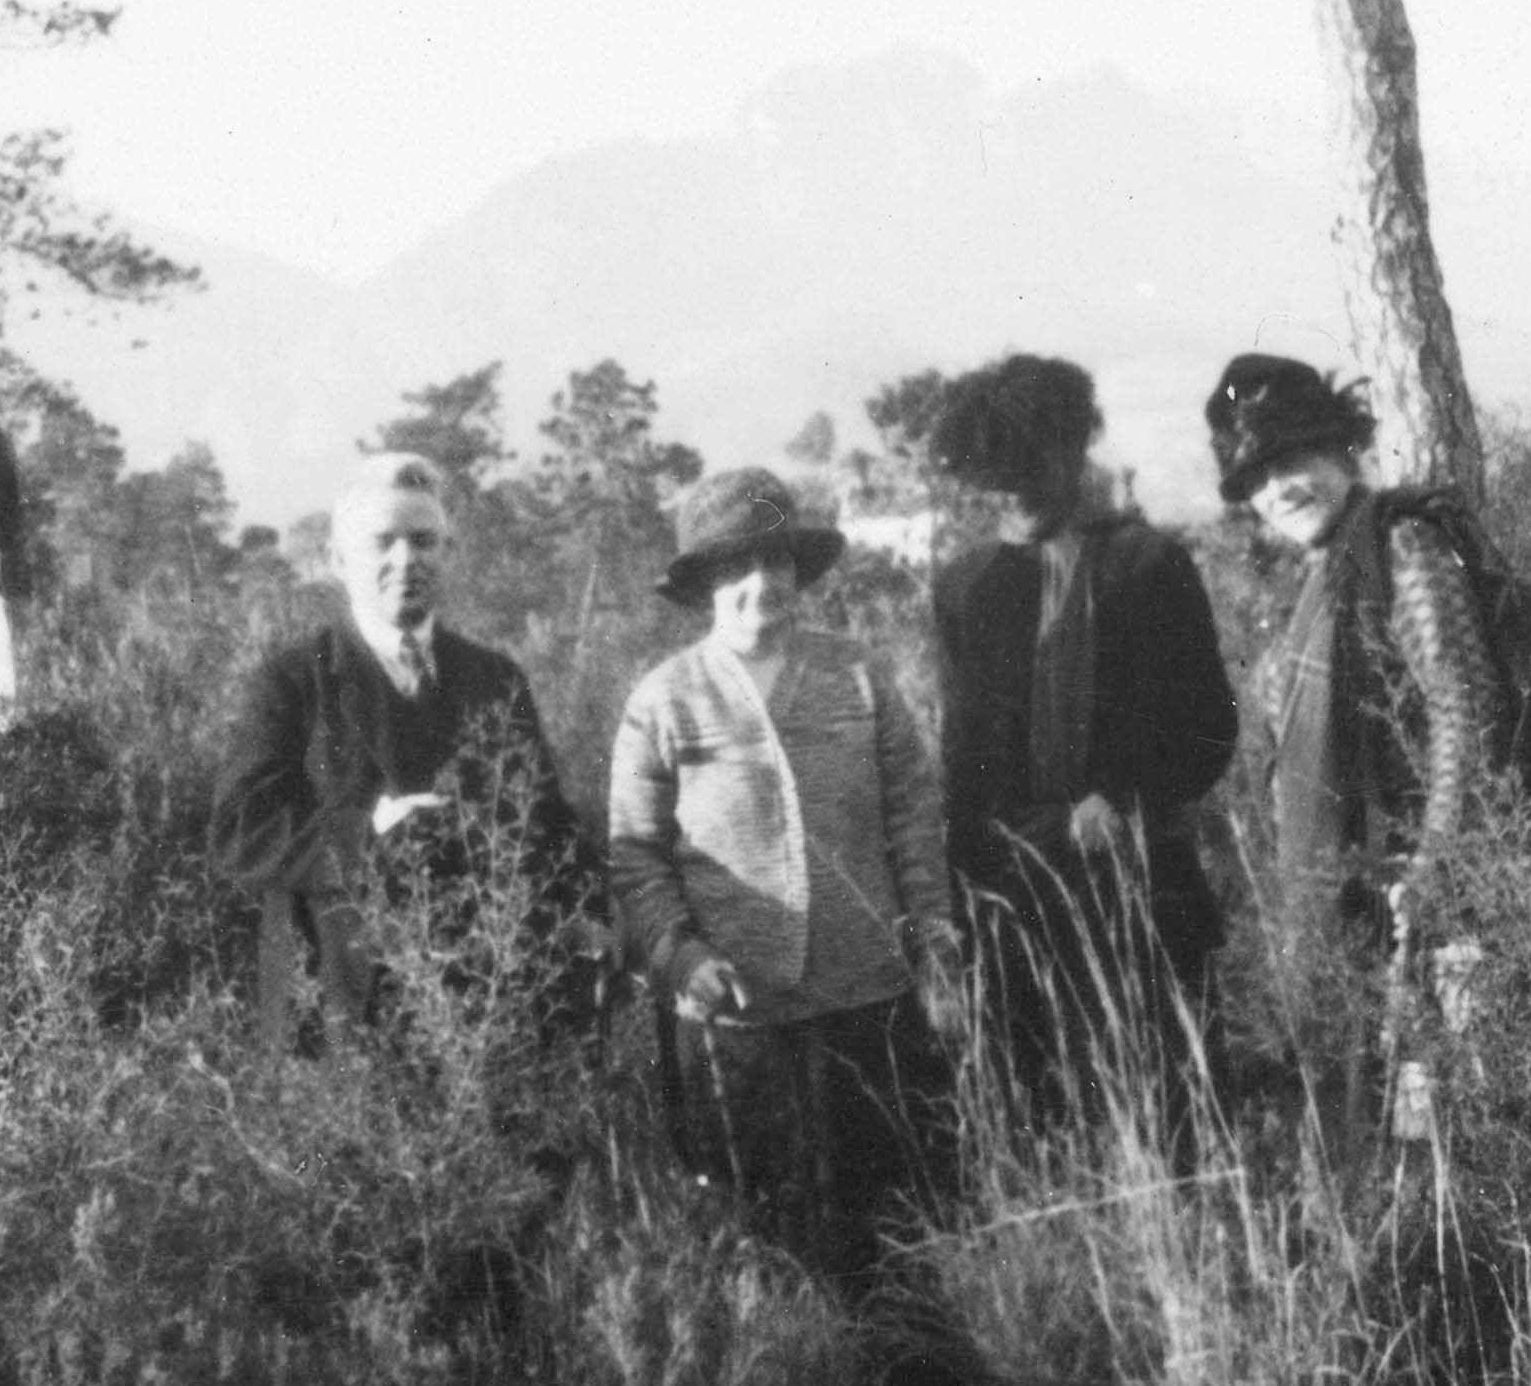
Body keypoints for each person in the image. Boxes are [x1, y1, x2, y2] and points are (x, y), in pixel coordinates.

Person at [608, 466, 961, 1281]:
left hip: (867, 999)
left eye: (777, 562)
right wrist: (681, 955)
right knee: (762, 1230)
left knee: (892, 1218)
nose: (762, 583)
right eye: (736, 567)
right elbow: (636, 853)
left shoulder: (859, 675)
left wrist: (934, 942)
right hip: (740, 1016)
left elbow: (913, 815)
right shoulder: (664, 700)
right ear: (704, 585)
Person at [1204, 352, 1505, 1152]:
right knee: (1358, 1128)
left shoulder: (1401, 548)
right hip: (1339, 912)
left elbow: (1461, 705)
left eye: (1292, 457)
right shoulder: (1319, 575)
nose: (1279, 488)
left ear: (1342, 446)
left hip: (1415, 905)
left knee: (1438, 1139)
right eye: (1257, 478)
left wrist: (1436, 865)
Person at [929, 354, 1238, 1124]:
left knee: (1163, 1113)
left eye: (1031, 470)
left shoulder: (1146, 565)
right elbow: (961, 760)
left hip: (1136, 886)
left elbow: (1207, 729)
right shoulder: (965, 586)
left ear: (1074, 453)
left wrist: (1125, 796)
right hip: (1012, 902)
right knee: (1034, 1114)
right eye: (996, 480)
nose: (1015, 495)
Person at [211, 453, 594, 1045]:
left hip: (487, 1002)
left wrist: (588, 911)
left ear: (450, 552)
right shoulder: (293, 680)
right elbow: (241, 834)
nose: (405, 561)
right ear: (339, 560)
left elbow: (547, 822)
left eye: (424, 542)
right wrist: (368, 831)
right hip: (341, 1010)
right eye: (381, 543)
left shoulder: (497, 679)